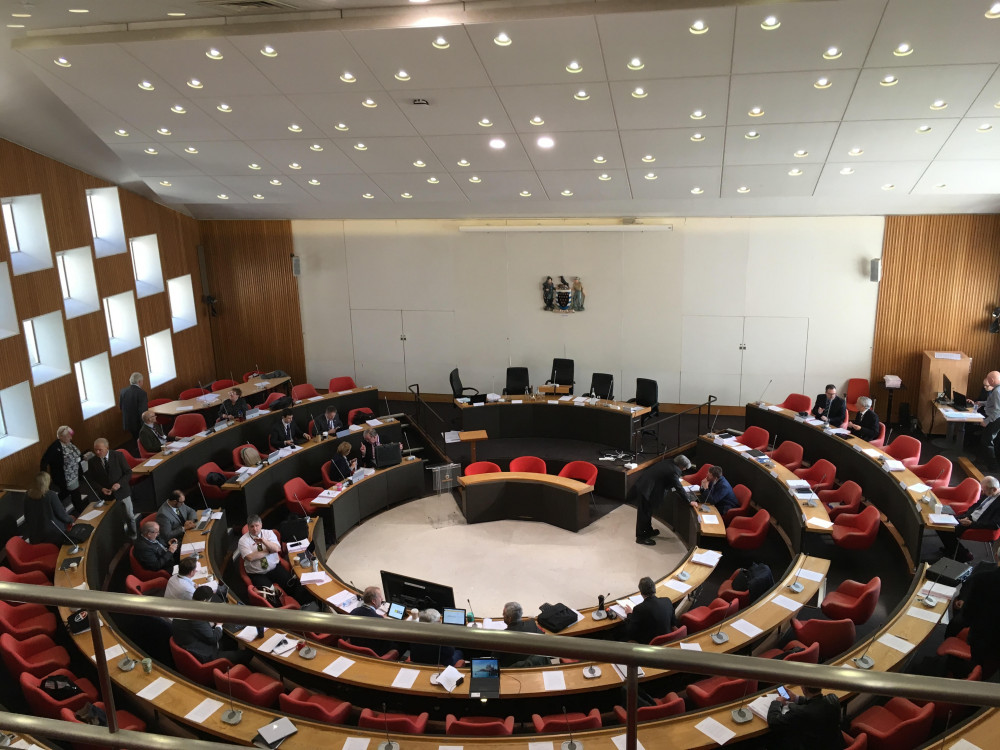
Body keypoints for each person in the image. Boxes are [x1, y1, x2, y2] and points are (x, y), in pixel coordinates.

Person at [238, 515, 311, 605]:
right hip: (257, 573)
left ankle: (302, 604)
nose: (255, 529)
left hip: (274, 568)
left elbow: (276, 549)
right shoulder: (243, 540)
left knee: (292, 584)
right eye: (252, 526)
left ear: (261, 525)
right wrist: (269, 551)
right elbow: (250, 557)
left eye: (257, 525)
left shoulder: (269, 533)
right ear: (248, 527)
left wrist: (264, 541)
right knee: (271, 596)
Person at [172, 585, 252, 665]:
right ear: (205, 600)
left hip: (192, 642)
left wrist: (210, 623)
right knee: (246, 654)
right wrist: (219, 624)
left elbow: (195, 627)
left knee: (231, 640)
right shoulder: (197, 617)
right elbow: (213, 638)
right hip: (206, 655)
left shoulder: (184, 606)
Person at [950, 558, 1000, 673]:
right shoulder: (983, 569)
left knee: (955, 624)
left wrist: (965, 605)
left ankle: (954, 663)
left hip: (982, 639)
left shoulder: (983, 579)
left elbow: (968, 616)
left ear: (997, 557)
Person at [630, 454, 691, 545]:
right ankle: (640, 537)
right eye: (685, 468)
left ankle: (648, 531)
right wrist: (689, 501)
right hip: (646, 489)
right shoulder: (673, 470)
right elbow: (678, 487)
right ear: (681, 465)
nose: (684, 470)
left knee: (648, 512)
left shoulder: (670, 462)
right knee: (644, 513)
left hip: (648, 487)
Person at [937, 476, 1000, 562]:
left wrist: (971, 523)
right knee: (940, 523)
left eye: (984, 491)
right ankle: (952, 549)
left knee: (948, 529)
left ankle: (963, 555)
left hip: (978, 524)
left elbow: (995, 525)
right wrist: (966, 515)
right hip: (969, 518)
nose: (983, 492)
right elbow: (975, 506)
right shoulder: (989, 493)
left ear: (994, 489)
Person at [766, 684, 845, 750]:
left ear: (803, 688)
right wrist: (796, 698)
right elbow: (817, 703)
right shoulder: (833, 699)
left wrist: (777, 702)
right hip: (835, 744)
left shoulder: (801, 712)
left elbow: (774, 722)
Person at [86, 438, 136, 536]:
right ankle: (121, 539)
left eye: (100, 450)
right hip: (107, 496)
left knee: (129, 516)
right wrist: (101, 488)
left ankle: (133, 535)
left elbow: (128, 473)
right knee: (115, 520)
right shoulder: (92, 461)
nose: (97, 452)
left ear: (107, 448)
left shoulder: (118, 456)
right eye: (95, 450)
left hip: (122, 492)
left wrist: (119, 484)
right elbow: (91, 480)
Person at [39, 425, 85, 514]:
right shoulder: (54, 447)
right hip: (64, 476)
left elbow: (75, 454)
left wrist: (83, 457)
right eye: (68, 436)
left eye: (71, 436)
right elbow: (44, 461)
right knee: (75, 494)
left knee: (66, 492)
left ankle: (53, 503)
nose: (71, 438)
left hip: (74, 474)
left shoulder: (69, 443)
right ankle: (81, 512)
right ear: (60, 436)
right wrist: (44, 477)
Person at [23, 471, 75, 546]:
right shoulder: (50, 495)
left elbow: (27, 517)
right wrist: (71, 520)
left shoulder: (27, 496)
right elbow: (62, 515)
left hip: (36, 536)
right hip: (53, 535)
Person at [620, 576, 675, 644]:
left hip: (650, 643)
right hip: (667, 639)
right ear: (654, 588)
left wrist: (629, 614)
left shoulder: (639, 609)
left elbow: (630, 631)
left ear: (641, 592)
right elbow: (674, 622)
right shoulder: (667, 601)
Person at [492, 601, 547, 668]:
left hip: (510, 669)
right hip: (533, 665)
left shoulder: (501, 638)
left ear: (509, 619)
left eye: (503, 614)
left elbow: (494, 659)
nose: (502, 615)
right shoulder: (532, 625)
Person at [348, 586, 399, 657]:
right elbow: (387, 641)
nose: (382, 599)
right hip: (374, 652)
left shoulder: (354, 611)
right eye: (380, 597)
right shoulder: (378, 620)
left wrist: (379, 617)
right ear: (374, 601)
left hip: (356, 647)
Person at [118, 372, 148, 447]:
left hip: (128, 422)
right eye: (142, 381)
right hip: (139, 423)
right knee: (143, 441)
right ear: (139, 382)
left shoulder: (123, 391)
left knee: (136, 440)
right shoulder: (142, 393)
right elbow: (143, 411)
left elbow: (121, 406)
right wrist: (146, 424)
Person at [980, 371, 1000, 470]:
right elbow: (991, 403)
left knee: (987, 441)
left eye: (988, 380)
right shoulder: (997, 390)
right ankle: (989, 464)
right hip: (995, 418)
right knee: (986, 440)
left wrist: (986, 421)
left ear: (991, 380)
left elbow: (997, 410)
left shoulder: (997, 391)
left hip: (995, 420)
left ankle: (993, 467)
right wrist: (981, 403)